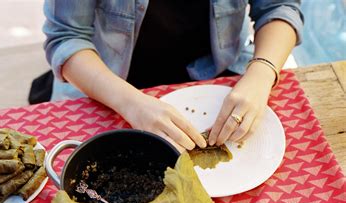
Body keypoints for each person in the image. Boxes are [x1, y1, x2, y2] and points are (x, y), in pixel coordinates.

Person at [42, 1, 303, 152]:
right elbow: (66, 37)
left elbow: (278, 7)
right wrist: (131, 103)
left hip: (221, 71)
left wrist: (262, 72)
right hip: (109, 84)